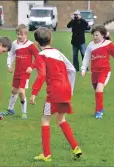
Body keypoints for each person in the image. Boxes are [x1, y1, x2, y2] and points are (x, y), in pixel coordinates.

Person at [29, 27, 82, 162]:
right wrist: (69, 88)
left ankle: (46, 155)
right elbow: (71, 69)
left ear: (36, 43)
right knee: (61, 120)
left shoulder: (41, 56)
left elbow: (42, 76)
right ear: (51, 40)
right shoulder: (57, 53)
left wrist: (34, 93)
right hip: (65, 91)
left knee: (45, 120)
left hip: (54, 93)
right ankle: (76, 148)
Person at [81, 25, 114, 119]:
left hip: (105, 71)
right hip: (94, 72)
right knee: (96, 91)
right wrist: (83, 68)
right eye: (94, 35)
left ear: (103, 35)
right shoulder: (90, 45)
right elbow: (86, 57)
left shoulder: (108, 44)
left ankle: (98, 111)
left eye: (97, 35)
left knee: (99, 89)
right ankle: (101, 107)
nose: (94, 37)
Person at [0, 24, 39, 119]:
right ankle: (10, 110)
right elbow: (11, 54)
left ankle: (24, 112)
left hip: (25, 73)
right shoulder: (14, 43)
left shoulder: (30, 45)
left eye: (21, 34)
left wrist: (32, 66)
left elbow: (38, 57)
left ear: (26, 35)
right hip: (17, 72)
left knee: (21, 91)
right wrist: (9, 65)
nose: (19, 36)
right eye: (18, 34)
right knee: (14, 91)